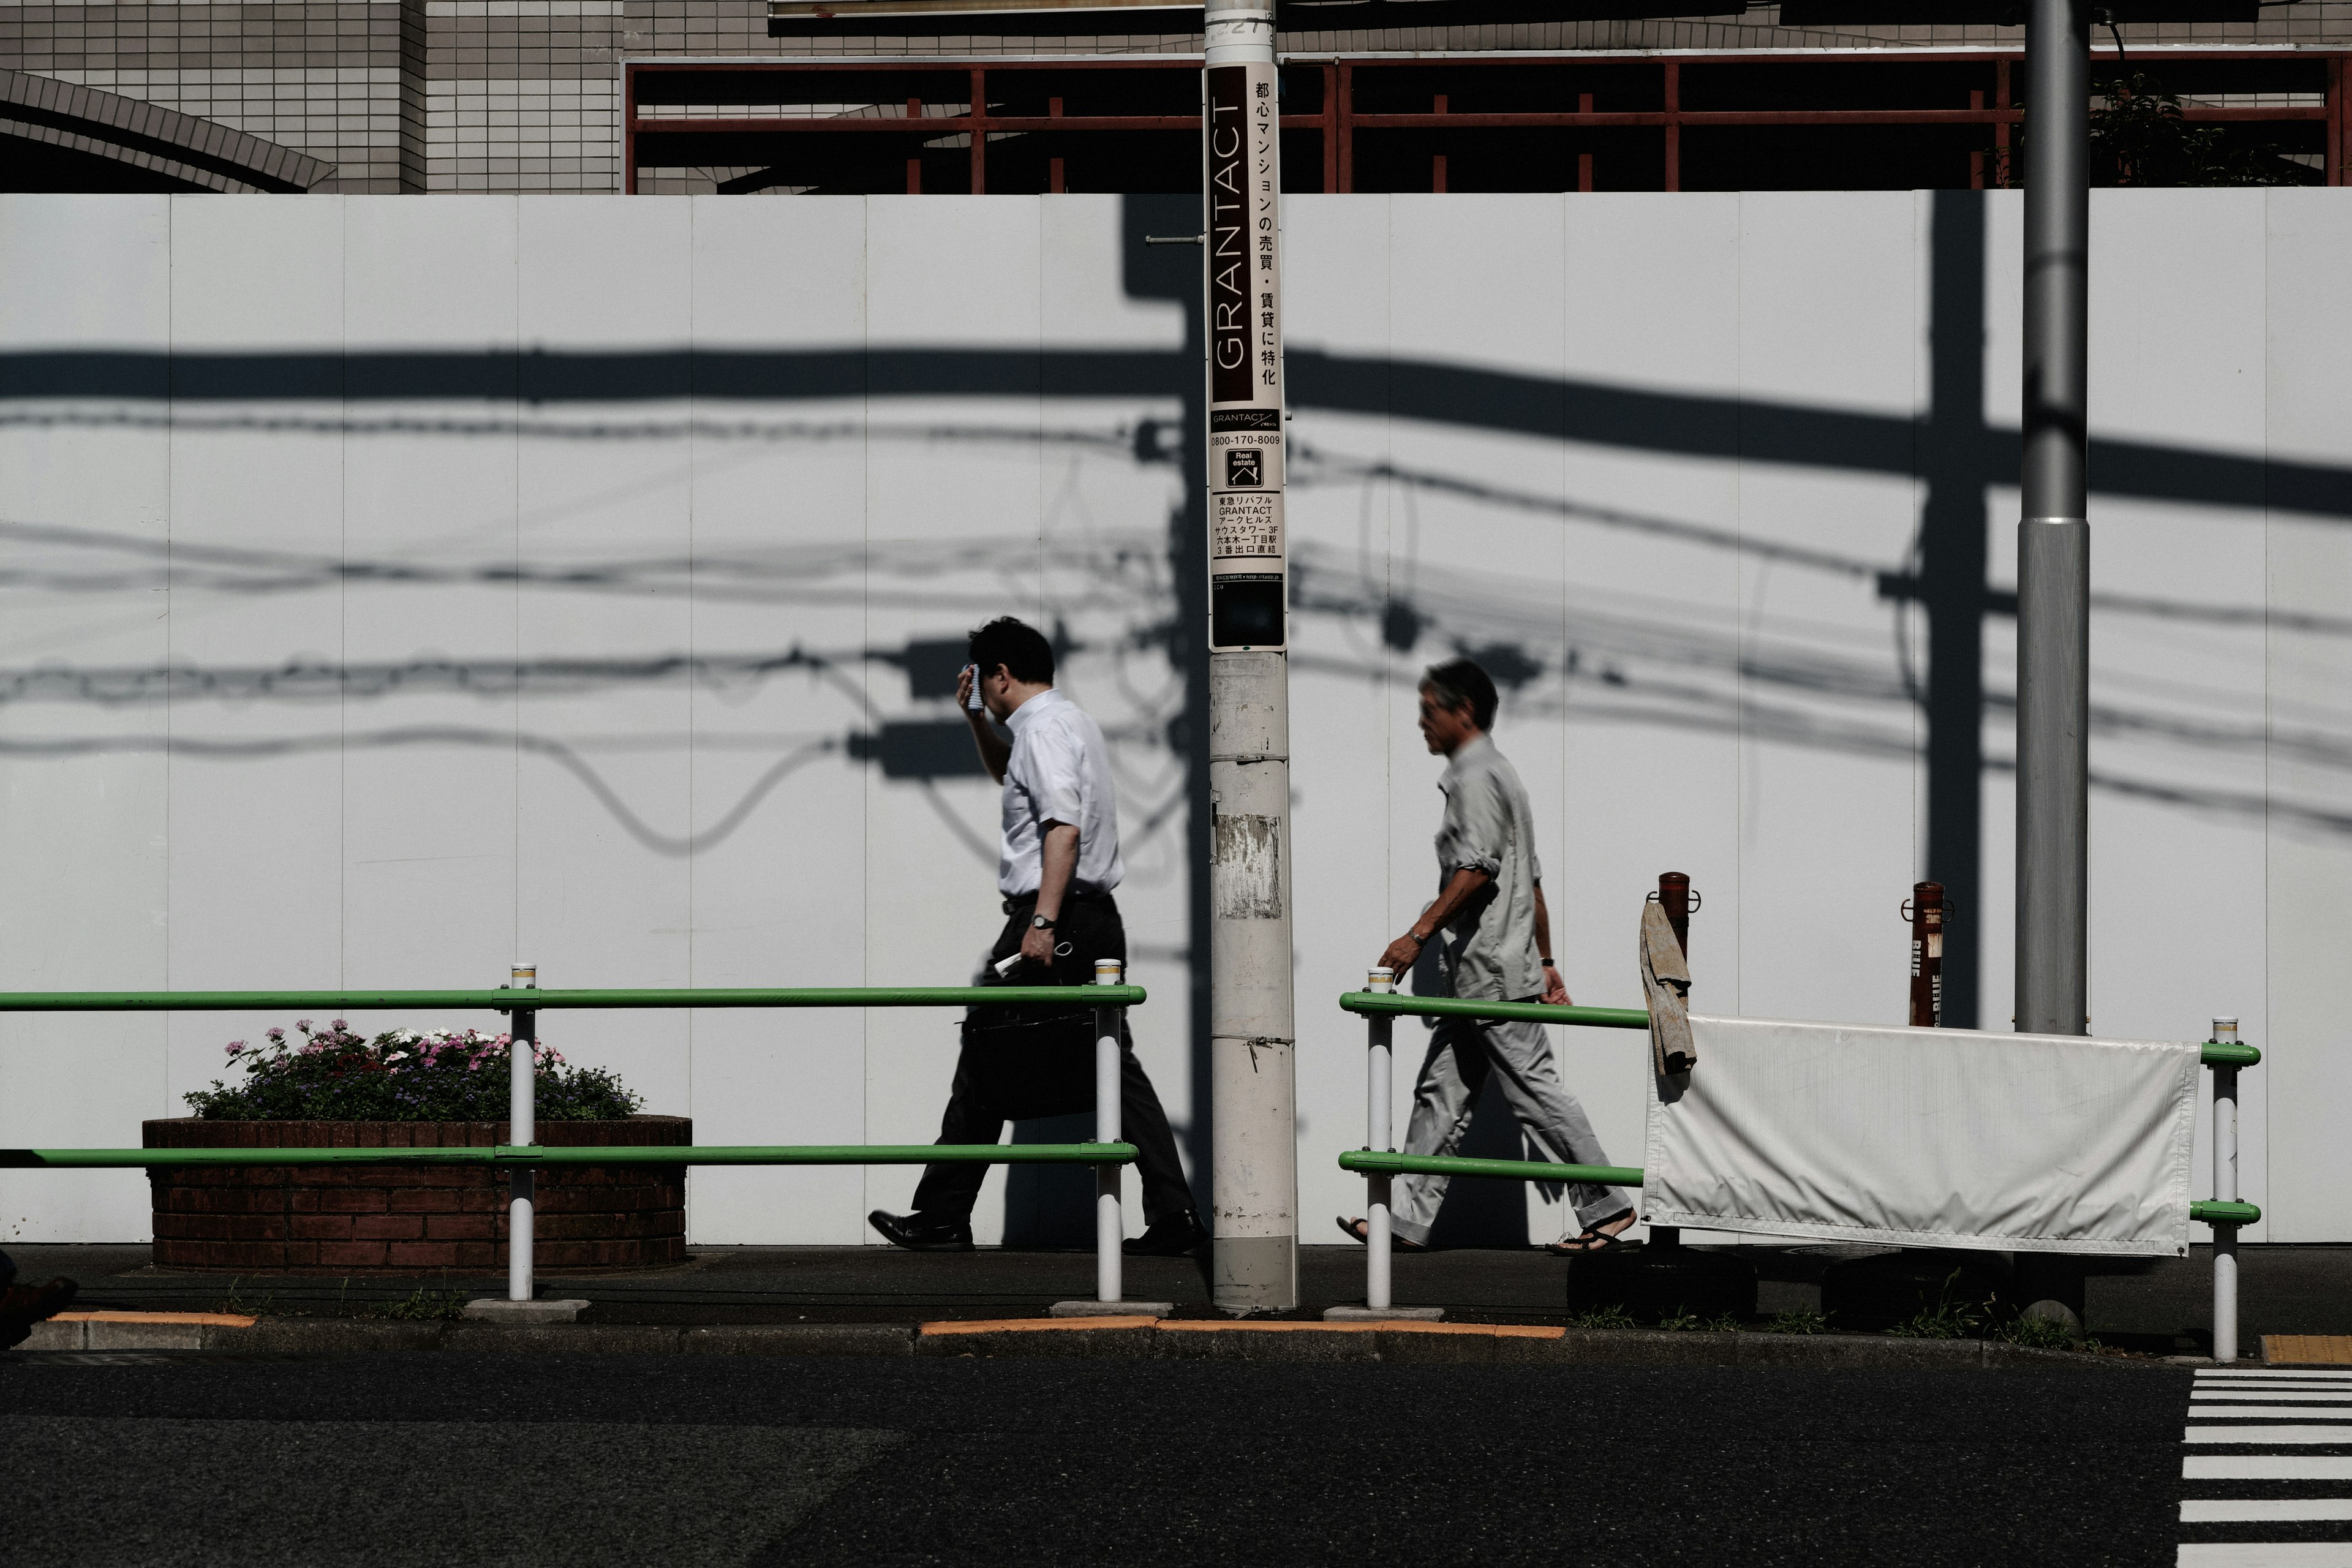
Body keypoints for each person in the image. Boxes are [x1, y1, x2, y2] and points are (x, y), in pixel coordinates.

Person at [869, 617, 1208, 1257]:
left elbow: (1062, 828)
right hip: (1085, 915)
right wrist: (977, 723)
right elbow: (1015, 783)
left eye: (985, 680)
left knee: (992, 1051)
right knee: (1102, 1062)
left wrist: (1043, 923)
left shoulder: (1045, 730)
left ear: (1001, 673)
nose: (985, 690)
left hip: (1060, 916)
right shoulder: (1058, 723)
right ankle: (1174, 1213)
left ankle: (942, 1215)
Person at [1340, 658, 1638, 1256]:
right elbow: (1530, 885)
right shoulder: (1503, 775)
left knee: (1535, 1091)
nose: (1422, 722)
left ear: (1464, 711)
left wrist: (1416, 935)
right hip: (1484, 973)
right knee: (1441, 1093)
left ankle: (1609, 1206)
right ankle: (1405, 1219)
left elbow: (1479, 870)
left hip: (1492, 975)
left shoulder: (1476, 780)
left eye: (1430, 710)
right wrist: (1548, 960)